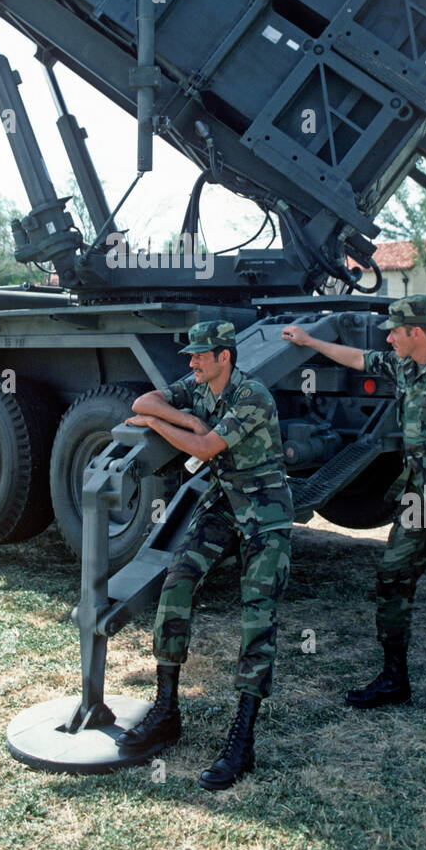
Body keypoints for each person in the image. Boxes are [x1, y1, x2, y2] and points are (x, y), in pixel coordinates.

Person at [282, 295, 426, 728]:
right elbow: (356, 357)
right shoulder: (402, 365)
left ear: (417, 332)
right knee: (391, 579)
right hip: (417, 498)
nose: (388, 337)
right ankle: (394, 679)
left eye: (394, 331)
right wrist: (309, 340)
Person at [116, 319, 294, 788]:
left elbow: (204, 446)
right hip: (222, 503)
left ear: (224, 358)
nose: (191, 362)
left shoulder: (252, 395)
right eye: (191, 355)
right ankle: (167, 710)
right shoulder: (199, 386)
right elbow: (142, 401)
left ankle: (243, 740)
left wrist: (162, 423)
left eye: (200, 355)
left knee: (257, 615)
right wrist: (187, 416)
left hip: (265, 510)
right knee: (176, 582)